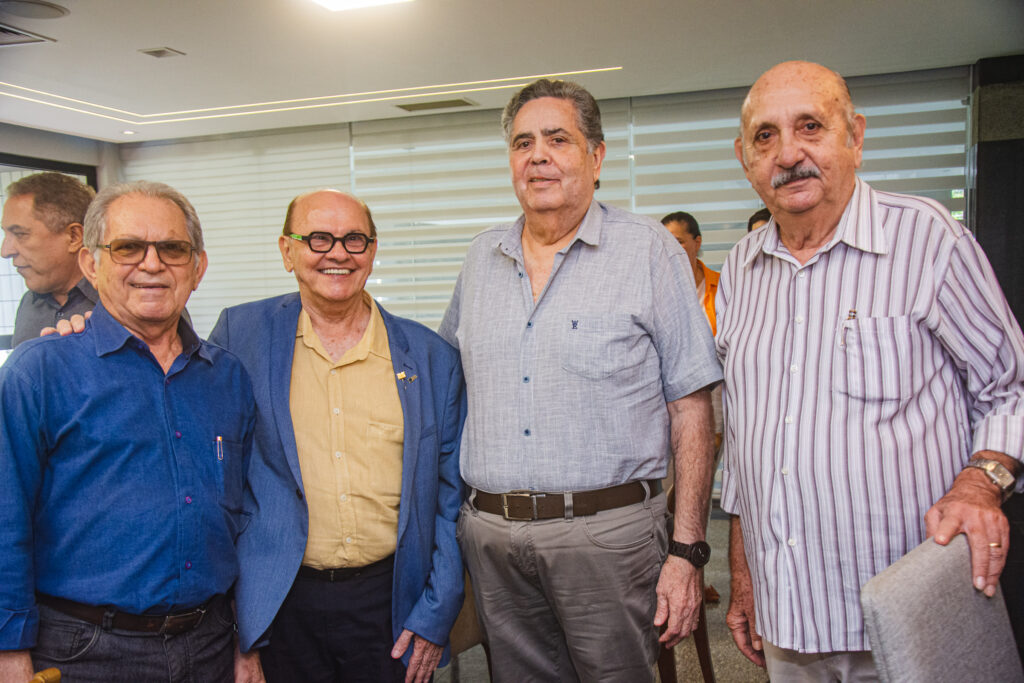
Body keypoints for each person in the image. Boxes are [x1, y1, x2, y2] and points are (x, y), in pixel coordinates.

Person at [719, 60, 1024, 680]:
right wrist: (744, 572)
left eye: (811, 126)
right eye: (766, 136)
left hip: (903, 608)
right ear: (745, 158)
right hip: (789, 610)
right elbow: (747, 439)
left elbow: (1008, 388)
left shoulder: (929, 241)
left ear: (854, 137)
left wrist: (980, 484)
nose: (788, 153)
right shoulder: (739, 271)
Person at [439, 79, 721, 682]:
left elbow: (693, 407)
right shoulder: (479, 258)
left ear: (596, 157)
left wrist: (688, 549)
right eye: (522, 142)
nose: (537, 155)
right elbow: (448, 388)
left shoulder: (649, 251)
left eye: (557, 139)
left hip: (609, 540)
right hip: (493, 541)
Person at [0, 181, 257, 682]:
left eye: (172, 248)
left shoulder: (228, 377)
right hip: (83, 652)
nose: (152, 264)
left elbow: (246, 517)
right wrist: (8, 651)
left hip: (210, 644)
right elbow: (3, 519)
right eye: (128, 247)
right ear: (91, 264)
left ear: (198, 268)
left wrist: (246, 638)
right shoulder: (40, 372)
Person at [209, 189, 465, 683]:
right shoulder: (240, 335)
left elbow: (453, 502)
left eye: (354, 239)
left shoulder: (431, 357)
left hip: (391, 603)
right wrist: (79, 332)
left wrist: (436, 614)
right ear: (287, 251)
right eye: (318, 238)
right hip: (278, 600)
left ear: (372, 250)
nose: (338, 253)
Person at [1, 172, 97, 346]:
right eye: (6, 235)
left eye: (20, 234)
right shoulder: (28, 305)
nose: (5, 251)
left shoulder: (123, 303)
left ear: (74, 237)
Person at [661, 211, 719, 335]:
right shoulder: (657, 290)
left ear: (697, 243)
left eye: (678, 242)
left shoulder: (722, 285)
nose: (670, 249)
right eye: (665, 244)